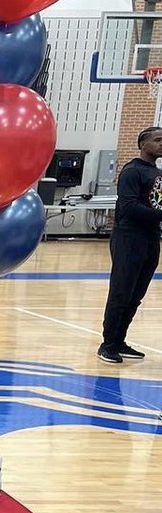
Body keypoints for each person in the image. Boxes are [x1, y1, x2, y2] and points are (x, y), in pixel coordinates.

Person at [98, 126, 162, 364]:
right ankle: (107, 344)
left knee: (137, 294)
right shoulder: (132, 172)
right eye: (157, 140)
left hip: (150, 238)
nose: (161, 144)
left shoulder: (157, 173)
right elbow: (129, 207)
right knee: (121, 292)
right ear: (142, 144)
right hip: (129, 238)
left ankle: (120, 341)